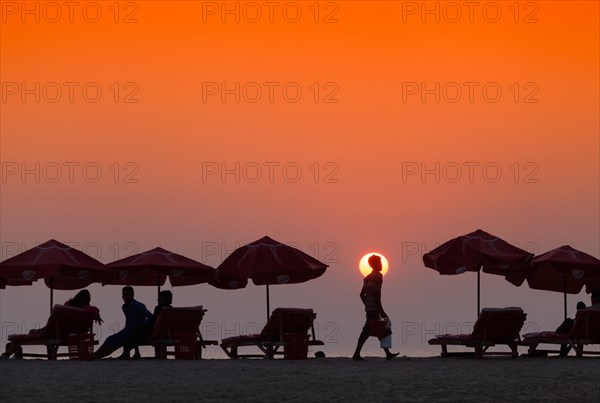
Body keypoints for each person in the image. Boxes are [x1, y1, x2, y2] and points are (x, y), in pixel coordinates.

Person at [1, 289, 102, 359]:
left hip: (53, 334)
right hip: (74, 337)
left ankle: (7, 354)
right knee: (33, 332)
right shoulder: (88, 312)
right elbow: (94, 310)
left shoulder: (67, 309)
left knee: (29, 333)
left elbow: (51, 329)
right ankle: (11, 352)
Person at [352, 254, 399, 361]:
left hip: (370, 309)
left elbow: (361, 294)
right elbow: (377, 295)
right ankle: (356, 355)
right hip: (374, 309)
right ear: (375, 264)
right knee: (370, 330)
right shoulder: (378, 276)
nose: (381, 264)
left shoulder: (367, 277)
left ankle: (387, 354)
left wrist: (367, 305)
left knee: (376, 329)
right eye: (380, 262)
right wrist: (381, 310)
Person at [93, 286, 152, 359]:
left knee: (116, 341)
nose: (124, 297)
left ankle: (98, 356)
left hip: (137, 331)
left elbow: (150, 316)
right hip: (128, 330)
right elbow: (128, 321)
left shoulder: (138, 305)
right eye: (123, 294)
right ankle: (96, 354)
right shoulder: (124, 307)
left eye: (127, 294)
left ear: (132, 295)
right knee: (110, 338)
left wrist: (144, 328)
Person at [128, 290, 173, 359]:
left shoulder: (158, 308)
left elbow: (153, 323)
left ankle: (136, 352)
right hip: (168, 334)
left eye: (160, 298)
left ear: (166, 299)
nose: (158, 300)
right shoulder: (171, 309)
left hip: (156, 334)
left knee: (135, 331)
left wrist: (149, 332)